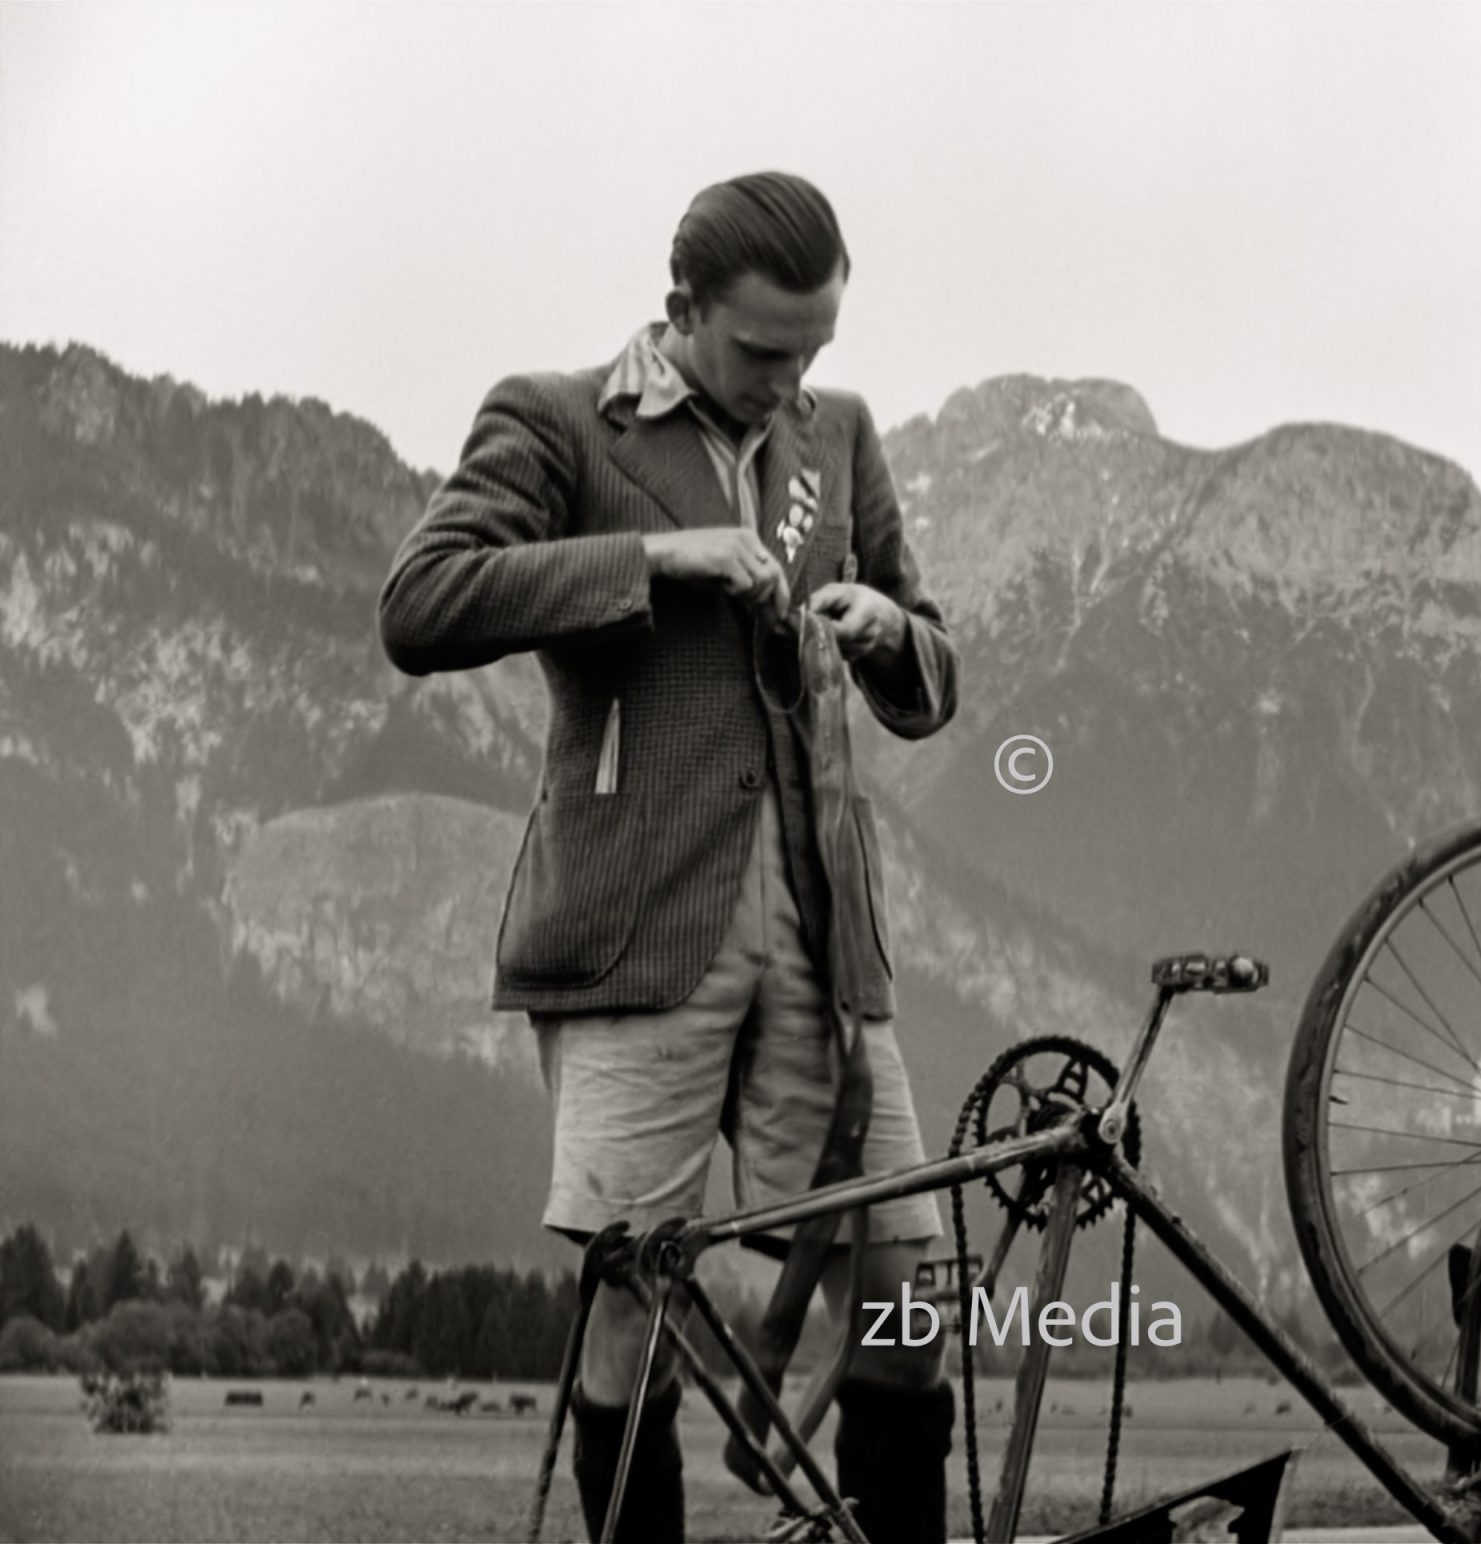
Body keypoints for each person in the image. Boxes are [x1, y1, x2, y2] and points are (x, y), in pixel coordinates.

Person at [378, 171, 959, 1543]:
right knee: (632, 1302)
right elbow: (421, 604)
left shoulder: (846, 434)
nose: (792, 379)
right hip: (636, 937)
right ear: (682, 311)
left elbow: (931, 688)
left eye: (815, 348)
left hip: (823, 948)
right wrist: (659, 558)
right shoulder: (555, 418)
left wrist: (889, 630)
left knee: (909, 1292)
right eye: (765, 351)